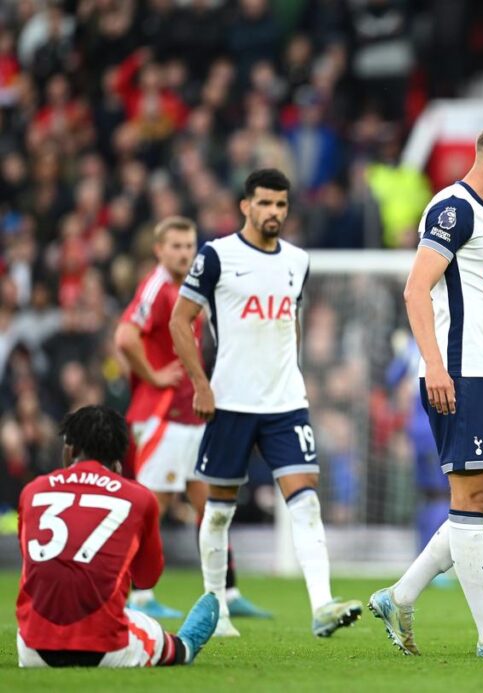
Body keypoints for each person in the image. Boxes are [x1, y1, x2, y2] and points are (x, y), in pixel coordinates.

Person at [368, 122, 483, 658]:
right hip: (458, 374)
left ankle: (399, 596)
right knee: (468, 501)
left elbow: (477, 305)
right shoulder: (454, 208)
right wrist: (435, 364)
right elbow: (415, 289)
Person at [170, 168, 361, 639]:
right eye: (265, 203)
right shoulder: (216, 256)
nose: (274, 212)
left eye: (281, 204)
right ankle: (216, 610)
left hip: (284, 405)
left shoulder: (298, 260)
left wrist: (292, 373)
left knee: (307, 504)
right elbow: (180, 321)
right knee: (218, 511)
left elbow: (290, 322)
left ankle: (322, 606)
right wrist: (200, 384)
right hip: (230, 403)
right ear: (245, 206)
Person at [115, 215, 270, 621]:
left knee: (213, 501)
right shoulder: (155, 287)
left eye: (189, 246)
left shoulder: (187, 290)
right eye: (177, 246)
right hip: (161, 415)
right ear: (159, 251)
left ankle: (228, 592)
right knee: (153, 505)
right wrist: (152, 375)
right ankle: (135, 597)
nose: (185, 252)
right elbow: (124, 337)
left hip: (189, 415)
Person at [16, 405, 217, 668]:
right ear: (119, 461)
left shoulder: (32, 491)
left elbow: (32, 563)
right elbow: (146, 579)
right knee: (142, 624)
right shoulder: (138, 497)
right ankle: (185, 647)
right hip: (104, 650)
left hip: (33, 650)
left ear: (70, 450)